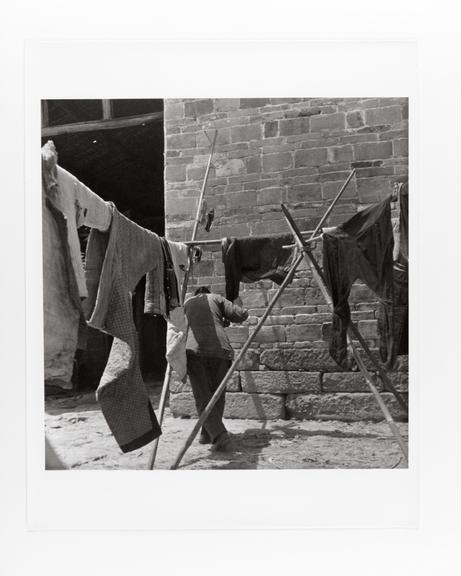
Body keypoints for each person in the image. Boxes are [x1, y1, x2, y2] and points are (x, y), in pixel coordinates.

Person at [184, 286, 249, 452]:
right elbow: (240, 315)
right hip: (220, 350)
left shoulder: (186, 303)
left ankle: (215, 434)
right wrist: (239, 303)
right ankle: (213, 434)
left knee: (202, 395)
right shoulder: (216, 298)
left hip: (194, 351)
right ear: (207, 292)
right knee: (217, 394)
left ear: (196, 294)